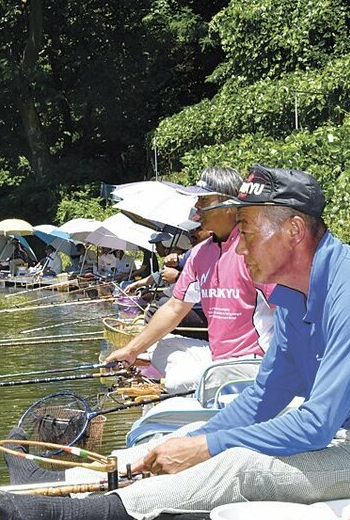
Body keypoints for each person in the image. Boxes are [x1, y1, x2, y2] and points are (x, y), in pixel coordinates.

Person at [0, 164, 350, 520]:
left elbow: (317, 422)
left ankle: (64, 517)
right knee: (185, 432)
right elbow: (265, 395)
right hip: (348, 442)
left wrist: (208, 448)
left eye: (247, 229)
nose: (240, 244)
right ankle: (56, 486)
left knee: (238, 463)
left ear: (292, 230)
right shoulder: (293, 294)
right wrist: (192, 440)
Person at [106, 167, 275, 393]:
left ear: (229, 205)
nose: (197, 207)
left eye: (203, 200)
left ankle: (207, 386)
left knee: (178, 382)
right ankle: (207, 382)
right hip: (218, 356)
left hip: (254, 361)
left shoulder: (256, 250)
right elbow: (175, 307)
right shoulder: (200, 253)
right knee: (160, 346)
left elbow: (289, 312)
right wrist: (132, 350)